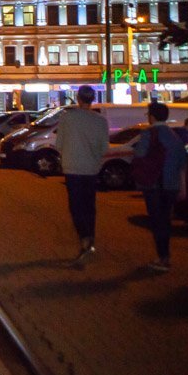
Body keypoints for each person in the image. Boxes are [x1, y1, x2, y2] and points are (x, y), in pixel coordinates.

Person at [54, 84, 109, 266]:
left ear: (78, 98)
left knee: (76, 206)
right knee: (89, 206)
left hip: (73, 168)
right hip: (92, 169)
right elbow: (104, 148)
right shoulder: (101, 121)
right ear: (93, 99)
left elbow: (59, 144)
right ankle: (90, 240)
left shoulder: (67, 118)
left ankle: (85, 240)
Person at [132, 102, 188, 273]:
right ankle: (165, 255)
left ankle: (163, 258)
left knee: (158, 222)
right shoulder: (174, 135)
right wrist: (183, 187)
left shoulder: (149, 133)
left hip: (155, 183)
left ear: (152, 116)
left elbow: (140, 154)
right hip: (171, 184)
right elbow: (182, 163)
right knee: (165, 220)